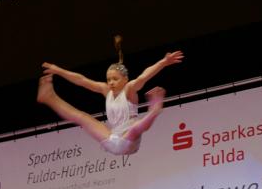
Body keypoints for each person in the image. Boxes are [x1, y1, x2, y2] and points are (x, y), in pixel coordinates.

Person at [38, 36, 184, 155]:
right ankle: (49, 97)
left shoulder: (129, 90)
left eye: (115, 79)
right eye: (109, 79)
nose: (111, 82)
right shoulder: (106, 90)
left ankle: (154, 111)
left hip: (129, 141)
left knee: (135, 127)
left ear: (125, 79)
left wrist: (163, 62)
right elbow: (81, 80)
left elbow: (143, 76)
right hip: (113, 141)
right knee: (82, 117)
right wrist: (58, 71)